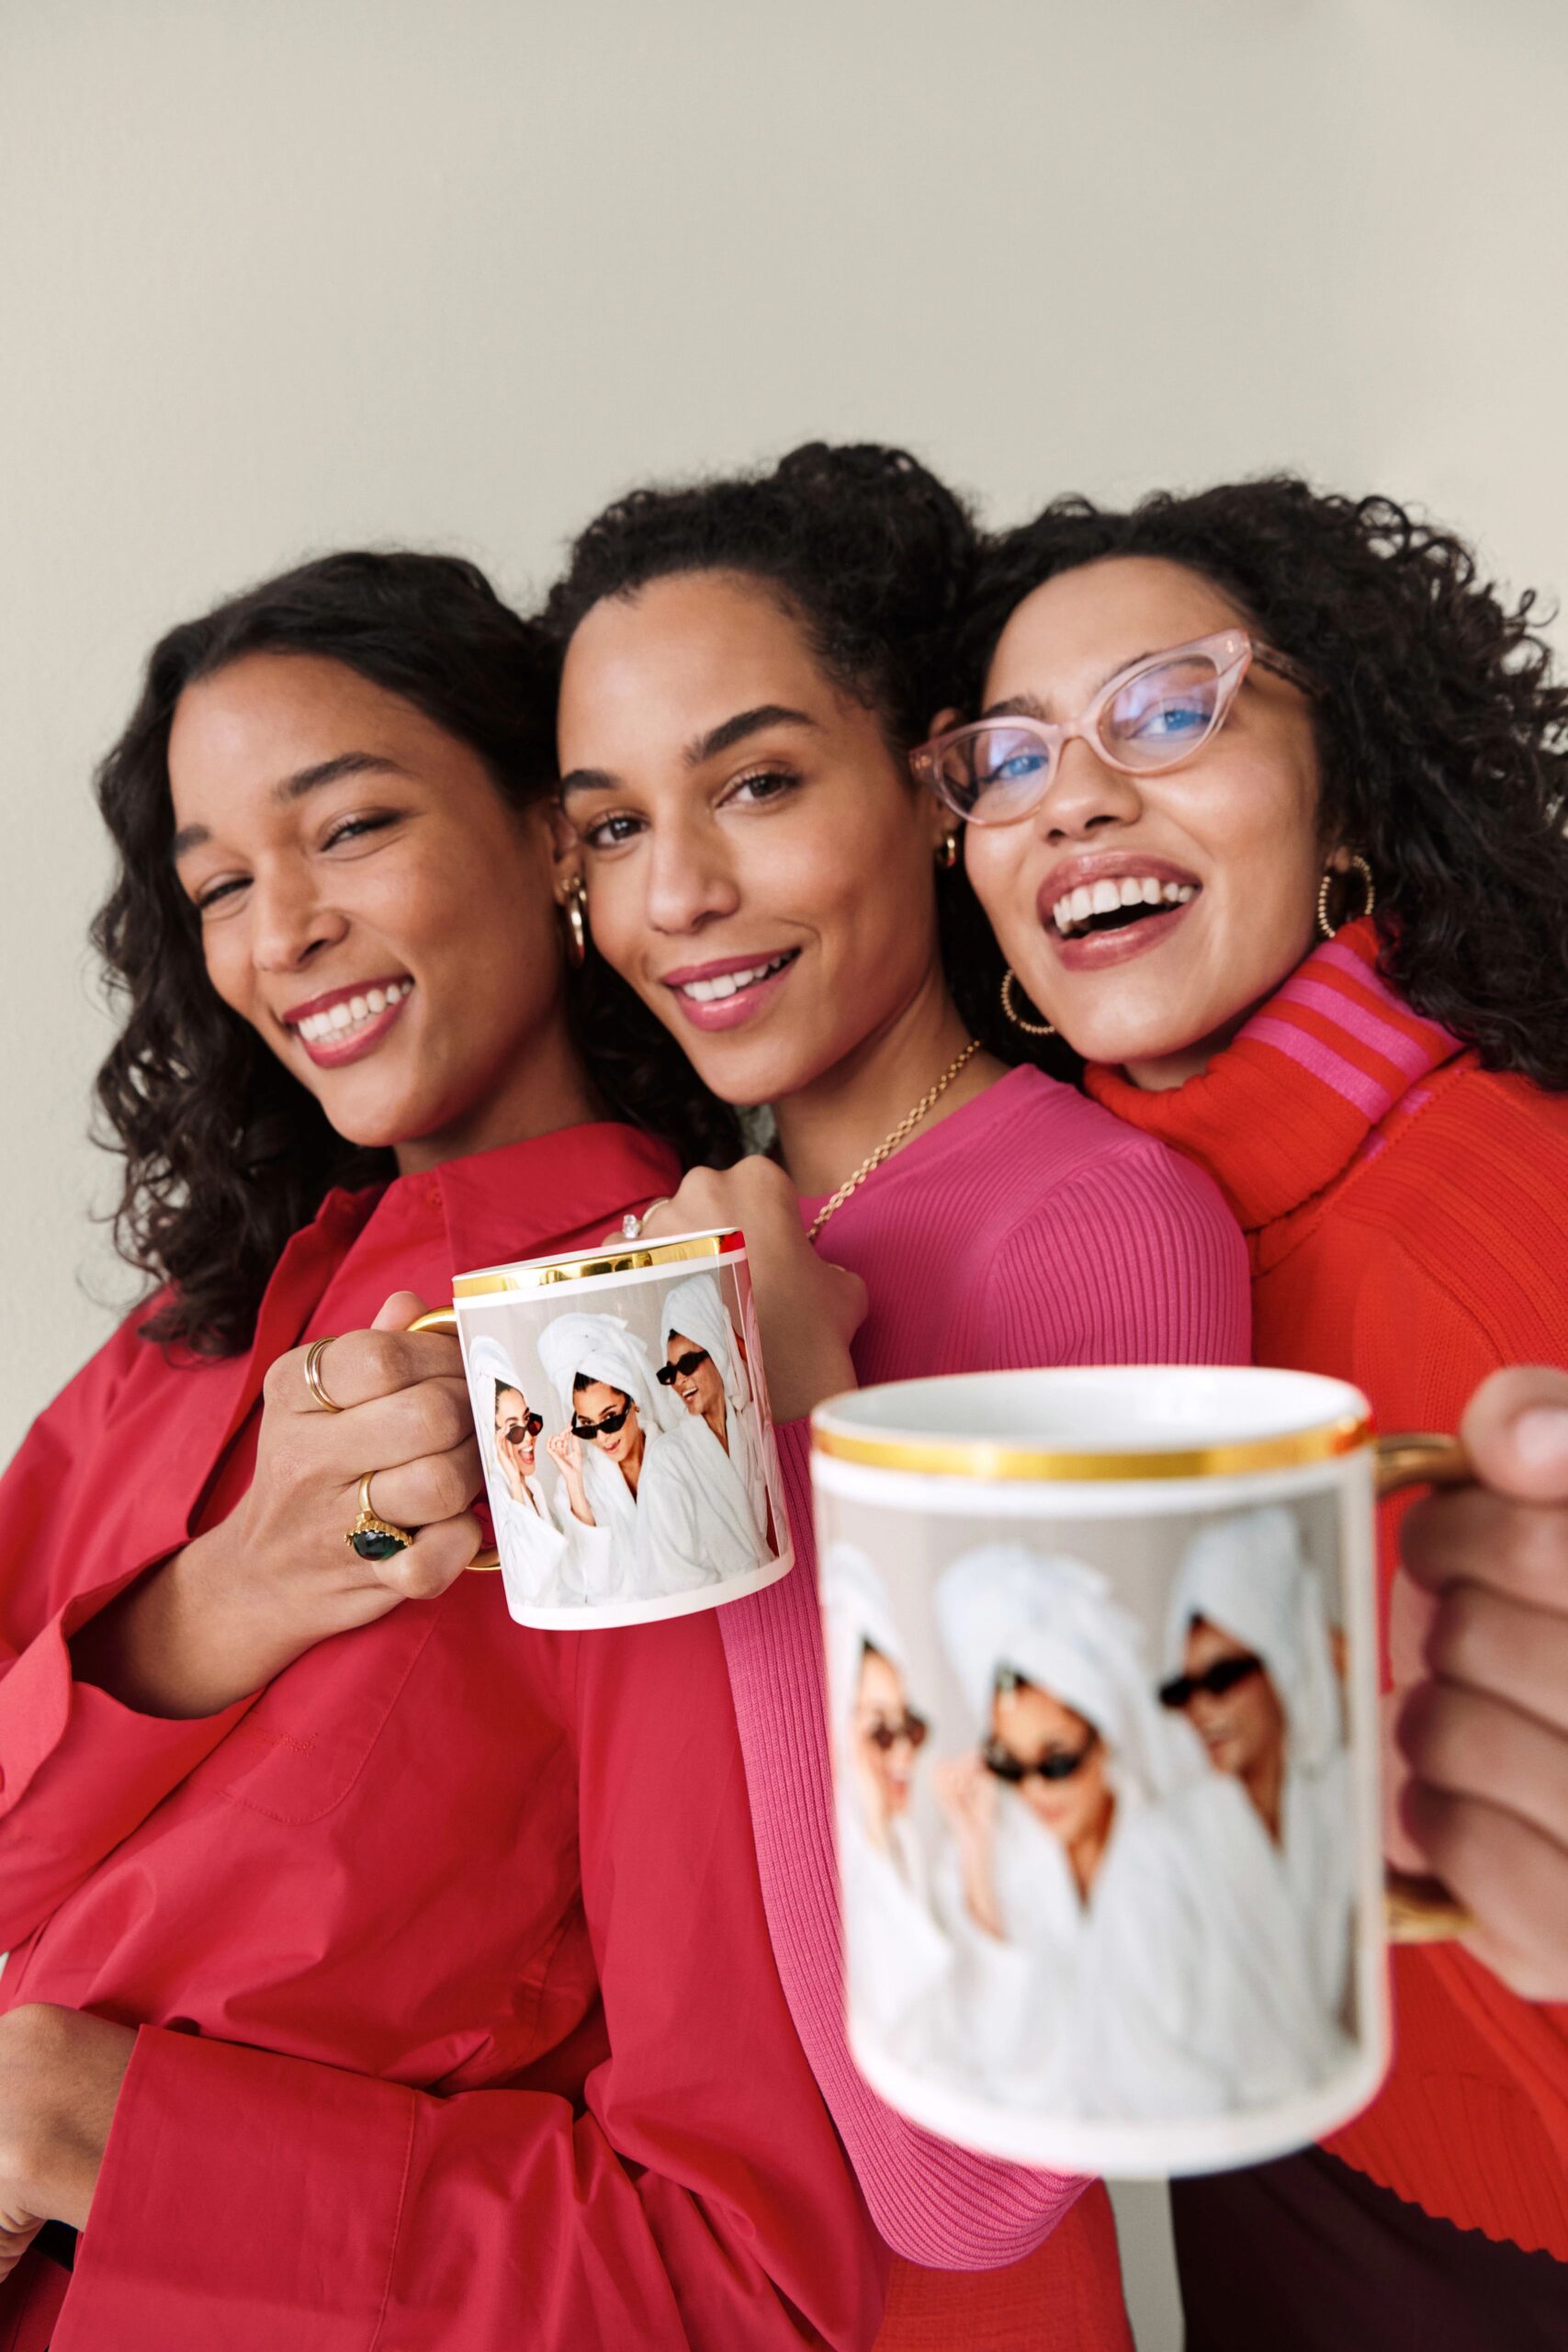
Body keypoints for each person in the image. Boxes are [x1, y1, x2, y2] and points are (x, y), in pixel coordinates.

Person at [0, 553, 885, 2349]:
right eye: (222, 885)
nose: (282, 930)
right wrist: (214, 1598)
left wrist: (100, 2131)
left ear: (555, 836)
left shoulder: (633, 1364)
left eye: (351, 827)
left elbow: (740, 2274)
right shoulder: (183, 1337)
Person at [543, 441, 1253, 2348]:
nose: (678, 889)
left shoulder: (1101, 1234)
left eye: (756, 783)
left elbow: (982, 2172)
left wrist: (777, 1432)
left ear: (932, 787)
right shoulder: (673, 1245)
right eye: (608, 826)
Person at [950, 479, 1568, 2345]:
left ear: (1348, 799)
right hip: (1282, 2157)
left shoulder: (1500, 1184)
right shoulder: (1059, 1239)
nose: (1073, 793)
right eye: (1005, 757)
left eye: (1167, 709)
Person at [932, 1545, 1341, 2122]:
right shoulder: (981, 1857)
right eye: (1011, 1766)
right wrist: (978, 1866)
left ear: (1102, 1738)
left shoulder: (1180, 1836)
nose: (1035, 1792)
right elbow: (991, 2049)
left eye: (1056, 1762)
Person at [1162, 1507, 1352, 2019]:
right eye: (1183, 1689)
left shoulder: (1336, 1805)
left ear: (1282, 1665)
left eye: (1222, 1679)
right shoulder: (1165, 1847)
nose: (1201, 1711)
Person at [820, 1544, 952, 2058]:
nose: (902, 1753)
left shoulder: (907, 1844)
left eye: (910, 1726)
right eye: (879, 1730)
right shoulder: (831, 1853)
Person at [537, 1307, 762, 1597]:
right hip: (629, 1628)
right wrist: (575, 1487)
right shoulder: (576, 1486)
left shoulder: (684, 1452)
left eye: (610, 1418)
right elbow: (591, 1586)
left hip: (709, 1604)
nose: (602, 1436)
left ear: (634, 1401)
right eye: (588, 1427)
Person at [466, 1332, 589, 1613]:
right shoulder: (502, 1491)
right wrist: (514, 1486)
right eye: (515, 1429)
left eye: (529, 1422)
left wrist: (573, 1481)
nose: (528, 1438)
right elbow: (531, 1584)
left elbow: (580, 1568)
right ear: (491, 1434)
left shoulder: (530, 1487)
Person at [660, 1270, 773, 1549]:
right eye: (670, 1372)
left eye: (687, 1364)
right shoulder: (671, 1455)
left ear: (718, 1353)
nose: (679, 1380)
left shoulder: (750, 1427)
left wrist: (739, 1348)